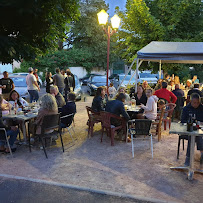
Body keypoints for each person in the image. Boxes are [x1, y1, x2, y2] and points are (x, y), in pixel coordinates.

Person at [181, 93, 203, 166]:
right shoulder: (186, 108)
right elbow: (182, 121)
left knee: (197, 135)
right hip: (188, 130)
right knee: (193, 136)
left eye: (197, 103)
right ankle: (201, 153)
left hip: (199, 129)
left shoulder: (201, 108)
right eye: (194, 102)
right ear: (191, 101)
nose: (196, 104)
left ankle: (188, 158)